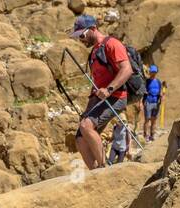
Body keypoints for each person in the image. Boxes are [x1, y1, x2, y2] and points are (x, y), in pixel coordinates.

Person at [69, 14, 133, 170]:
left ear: (92, 29)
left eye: (82, 35)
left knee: (86, 126)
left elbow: (127, 69)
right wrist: (88, 110)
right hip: (101, 99)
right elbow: (96, 86)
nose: (80, 39)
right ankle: (96, 171)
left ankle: (104, 169)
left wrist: (110, 89)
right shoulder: (93, 53)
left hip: (116, 97)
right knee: (80, 138)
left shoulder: (112, 44)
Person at [143, 65, 163, 141]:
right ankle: (145, 135)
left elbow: (160, 90)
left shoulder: (158, 81)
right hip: (148, 102)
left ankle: (152, 135)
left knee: (154, 120)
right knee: (147, 119)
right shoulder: (147, 81)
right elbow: (143, 92)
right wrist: (141, 103)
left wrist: (161, 96)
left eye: (155, 72)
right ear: (150, 72)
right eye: (152, 71)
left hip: (156, 103)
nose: (153, 73)